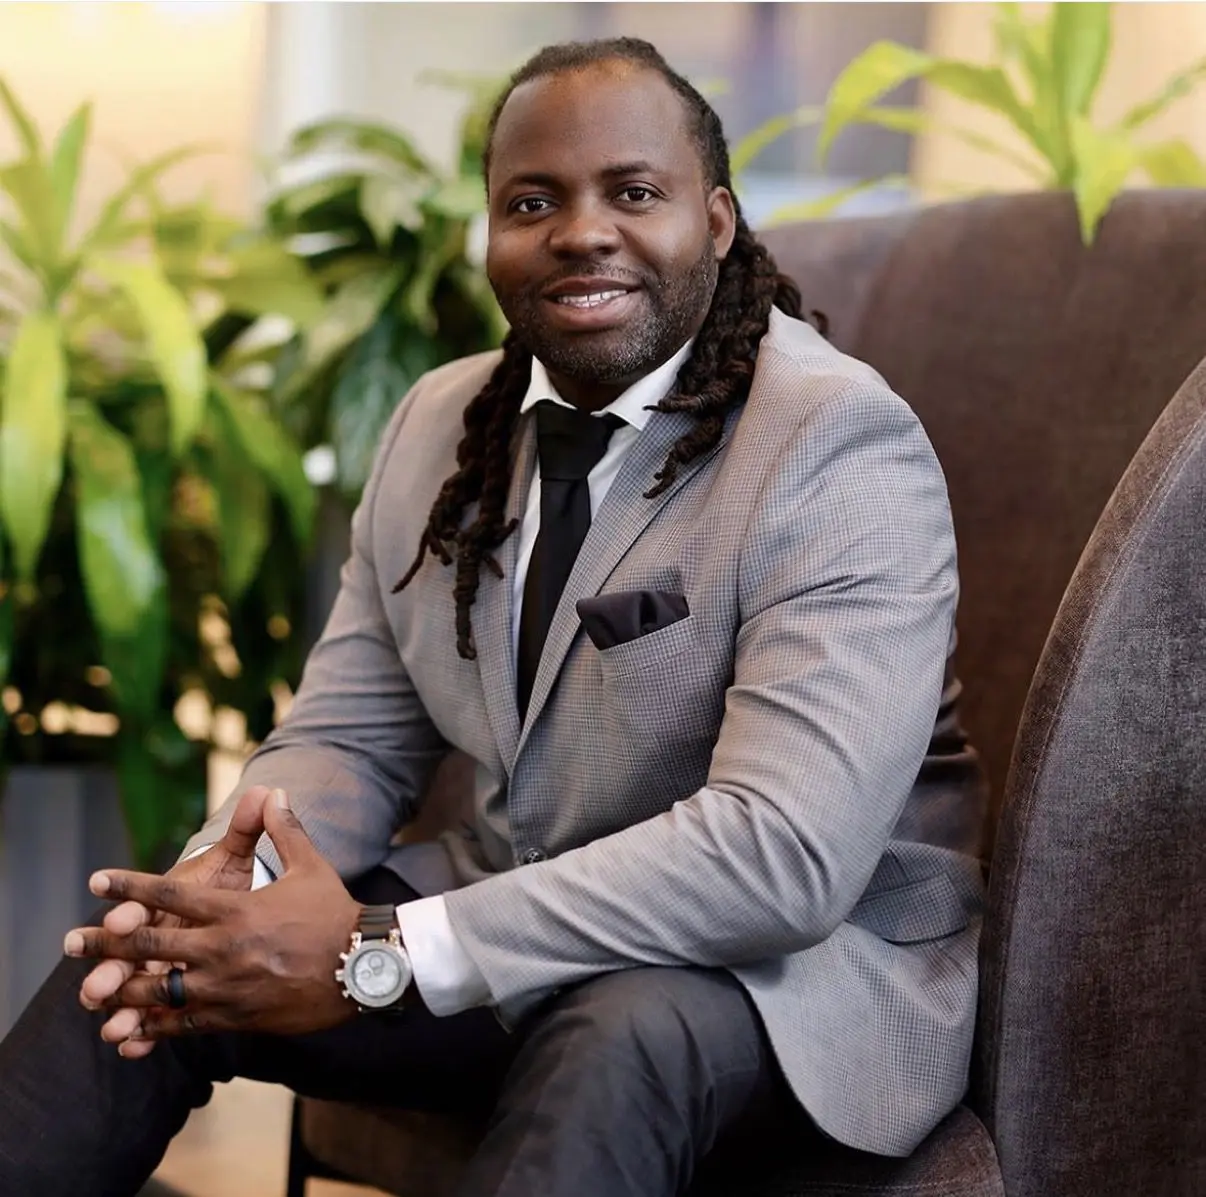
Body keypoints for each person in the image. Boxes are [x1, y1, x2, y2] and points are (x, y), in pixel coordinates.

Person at [0, 36, 987, 1197]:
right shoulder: (438, 423)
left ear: (716, 222)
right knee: (140, 965)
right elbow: (347, 740)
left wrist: (386, 950)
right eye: (533, 201)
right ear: (489, 232)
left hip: (789, 973)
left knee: (618, 1036)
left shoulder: (835, 444)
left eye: (633, 192)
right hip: (514, 913)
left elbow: (785, 860)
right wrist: (233, 898)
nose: (580, 231)